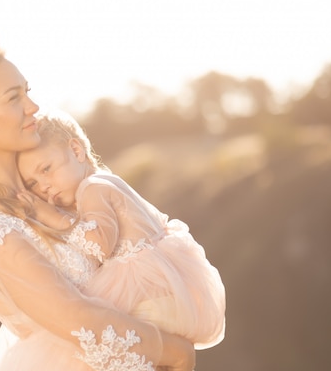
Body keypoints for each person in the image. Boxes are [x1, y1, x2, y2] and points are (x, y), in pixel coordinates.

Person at [0, 36, 196, 371]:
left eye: (27, 92)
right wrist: (175, 353)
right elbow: (74, 317)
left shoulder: (50, 185)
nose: (33, 106)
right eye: (14, 97)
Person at [16, 112, 226, 350]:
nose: (43, 186)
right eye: (32, 184)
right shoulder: (107, 180)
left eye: (45, 169)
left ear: (76, 151)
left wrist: (51, 216)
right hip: (168, 292)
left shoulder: (92, 189)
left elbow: (101, 245)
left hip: (147, 295)